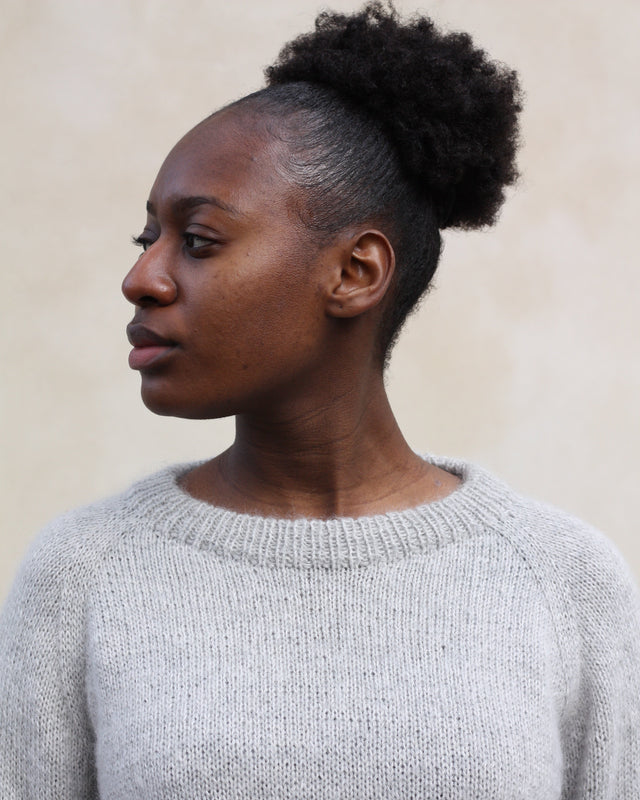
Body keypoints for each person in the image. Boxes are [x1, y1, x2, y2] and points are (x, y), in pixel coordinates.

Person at [1, 2, 638, 797]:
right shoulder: (81, 574)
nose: (142, 278)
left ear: (355, 273)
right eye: (147, 239)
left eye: (196, 241)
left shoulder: (564, 578)